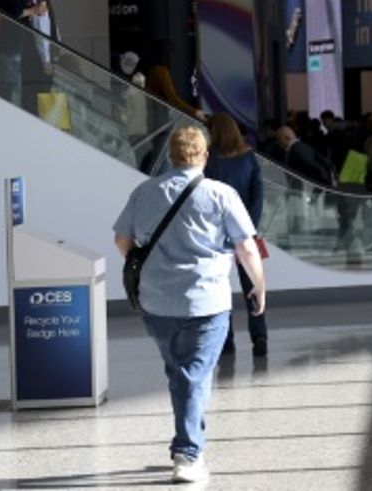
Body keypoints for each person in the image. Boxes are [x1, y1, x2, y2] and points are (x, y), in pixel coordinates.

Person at [113, 125, 265, 483]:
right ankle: (187, 454)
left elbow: (123, 240)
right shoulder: (221, 194)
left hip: (156, 303)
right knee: (191, 375)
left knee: (182, 373)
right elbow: (246, 247)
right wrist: (259, 286)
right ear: (205, 156)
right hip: (206, 303)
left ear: (171, 155)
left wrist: (146, 263)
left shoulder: (145, 191)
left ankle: (190, 439)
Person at [204, 113, 267, 359]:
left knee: (221, 287)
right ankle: (259, 335)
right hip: (247, 233)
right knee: (254, 284)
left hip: (216, 234)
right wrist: (248, 229)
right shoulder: (249, 157)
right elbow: (258, 195)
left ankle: (226, 341)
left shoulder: (210, 161)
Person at [20, 0, 60, 113]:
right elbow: (41, 30)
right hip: (36, 59)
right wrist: (46, 59)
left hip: (31, 57)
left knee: (34, 98)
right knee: (39, 99)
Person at [272, 124, 335, 188]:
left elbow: (317, 168)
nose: (278, 143)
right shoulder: (304, 146)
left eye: (278, 139)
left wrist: (323, 186)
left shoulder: (296, 150)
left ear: (287, 137)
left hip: (306, 190)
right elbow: (325, 162)